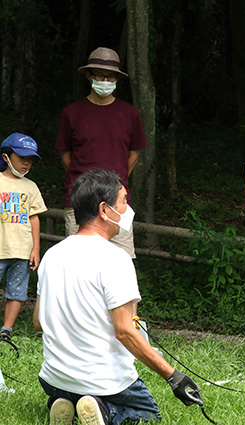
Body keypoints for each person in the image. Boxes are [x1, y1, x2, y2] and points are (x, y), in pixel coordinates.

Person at [34, 169, 202, 425]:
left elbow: (38, 321)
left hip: (53, 379)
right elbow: (124, 330)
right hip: (104, 381)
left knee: (71, 391)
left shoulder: (52, 254)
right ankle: (105, 411)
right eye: (123, 201)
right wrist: (173, 376)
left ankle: (66, 403)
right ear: (104, 210)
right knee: (148, 417)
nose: (128, 208)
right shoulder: (116, 259)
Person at [55, 47, 147, 258]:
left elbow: (134, 153)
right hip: (79, 201)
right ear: (89, 76)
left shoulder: (130, 114)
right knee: (79, 264)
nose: (105, 80)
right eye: (99, 75)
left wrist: (112, 184)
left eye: (111, 76)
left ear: (117, 79)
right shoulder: (71, 113)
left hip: (118, 204)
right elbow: (65, 155)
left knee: (121, 263)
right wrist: (87, 184)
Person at [0, 133, 47, 343]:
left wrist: (35, 249)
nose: (26, 163)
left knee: (17, 292)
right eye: (21, 158)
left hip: (22, 250)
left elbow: (34, 218)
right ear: (6, 157)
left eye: (30, 160)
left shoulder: (31, 187)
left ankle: (6, 331)